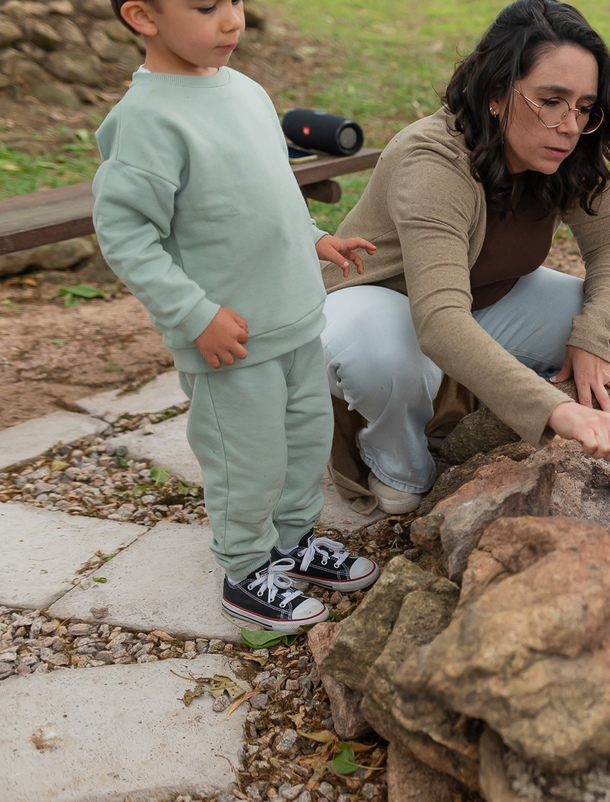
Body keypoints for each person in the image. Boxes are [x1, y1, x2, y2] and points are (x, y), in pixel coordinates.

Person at [93, 0, 381, 632]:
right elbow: (126, 235)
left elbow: (265, 192)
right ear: (143, 15)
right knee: (245, 459)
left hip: (297, 318)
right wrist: (194, 314)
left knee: (304, 443)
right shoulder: (146, 120)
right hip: (229, 341)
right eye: (206, 6)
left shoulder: (246, 91)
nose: (231, 20)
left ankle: (291, 542)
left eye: (237, 1)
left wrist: (314, 238)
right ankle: (246, 571)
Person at [320, 0, 610, 515]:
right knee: (384, 358)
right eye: (552, 101)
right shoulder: (432, 159)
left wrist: (591, 338)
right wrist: (557, 412)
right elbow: (438, 320)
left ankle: (481, 426)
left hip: (486, 298)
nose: (571, 124)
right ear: (497, 94)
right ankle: (397, 462)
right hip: (381, 302)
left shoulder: (571, 150)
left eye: (585, 106)